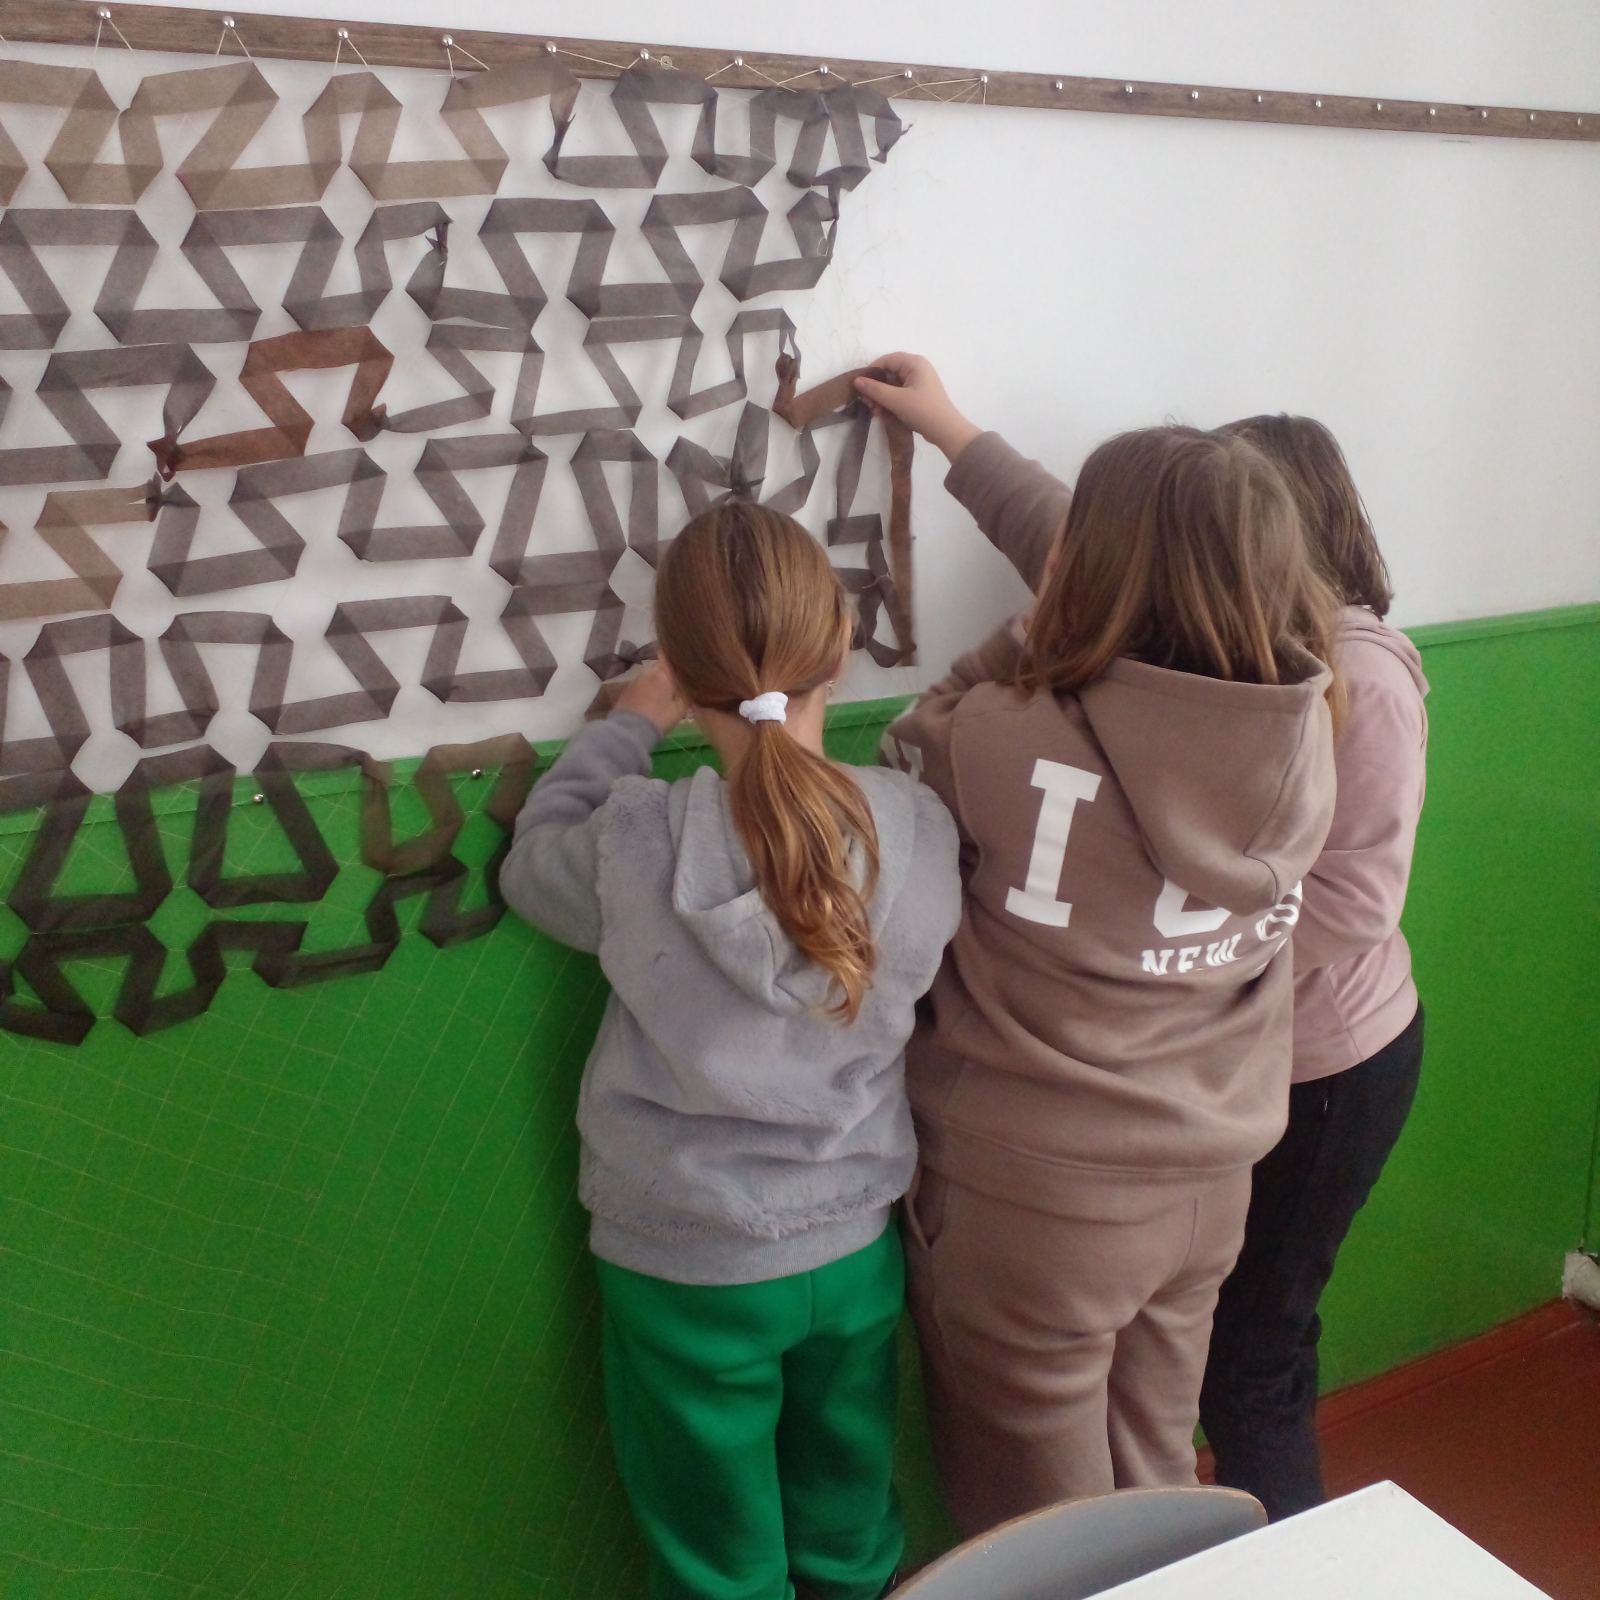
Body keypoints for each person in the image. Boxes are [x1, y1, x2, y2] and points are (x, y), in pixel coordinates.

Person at [856, 354, 1341, 1536]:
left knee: (1041, 1521)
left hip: (1039, 1197)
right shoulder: (1311, 726)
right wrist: (962, 438)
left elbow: (904, 742)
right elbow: (1146, 566)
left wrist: (1033, 628)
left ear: (1085, 573)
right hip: (1208, 1181)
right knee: (1158, 1473)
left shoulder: (1002, 731)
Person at [499, 500, 961, 1600]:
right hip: (853, 1250)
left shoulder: (632, 840)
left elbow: (529, 863)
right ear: (839, 649)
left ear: (681, 669)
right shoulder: (916, 826)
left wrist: (627, 723)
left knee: (719, 1563)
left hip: (684, 1264)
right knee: (850, 1525)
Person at [1198, 414, 1428, 1520]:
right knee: (1237, 1345)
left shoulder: (1363, 674)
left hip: (1334, 1067)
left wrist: (1189, 974)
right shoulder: (1267, 650)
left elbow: (1354, 898)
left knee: (1252, 1360)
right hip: (1266, 1049)